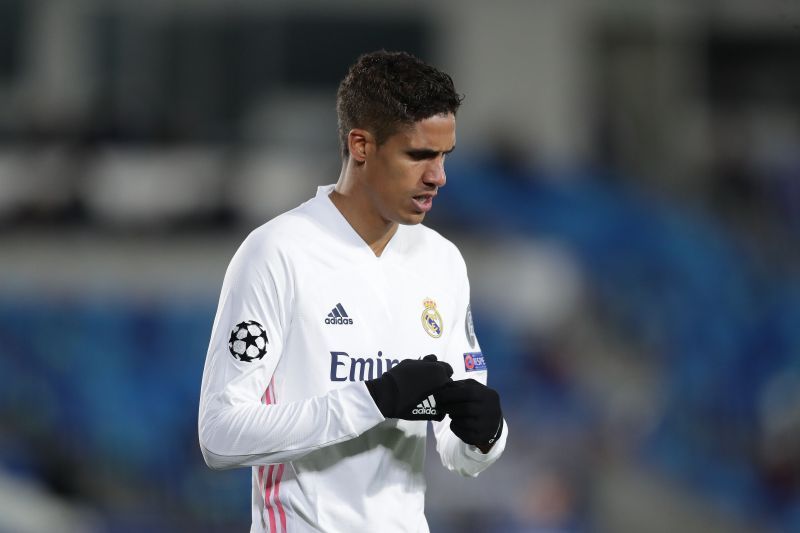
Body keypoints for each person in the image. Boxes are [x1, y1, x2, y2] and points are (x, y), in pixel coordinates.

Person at [198, 50, 507, 533]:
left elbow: (459, 452)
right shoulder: (277, 253)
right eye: (418, 155)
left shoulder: (442, 261)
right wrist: (373, 399)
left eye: (444, 156)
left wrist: (484, 434)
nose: (438, 177)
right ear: (361, 145)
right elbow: (219, 435)